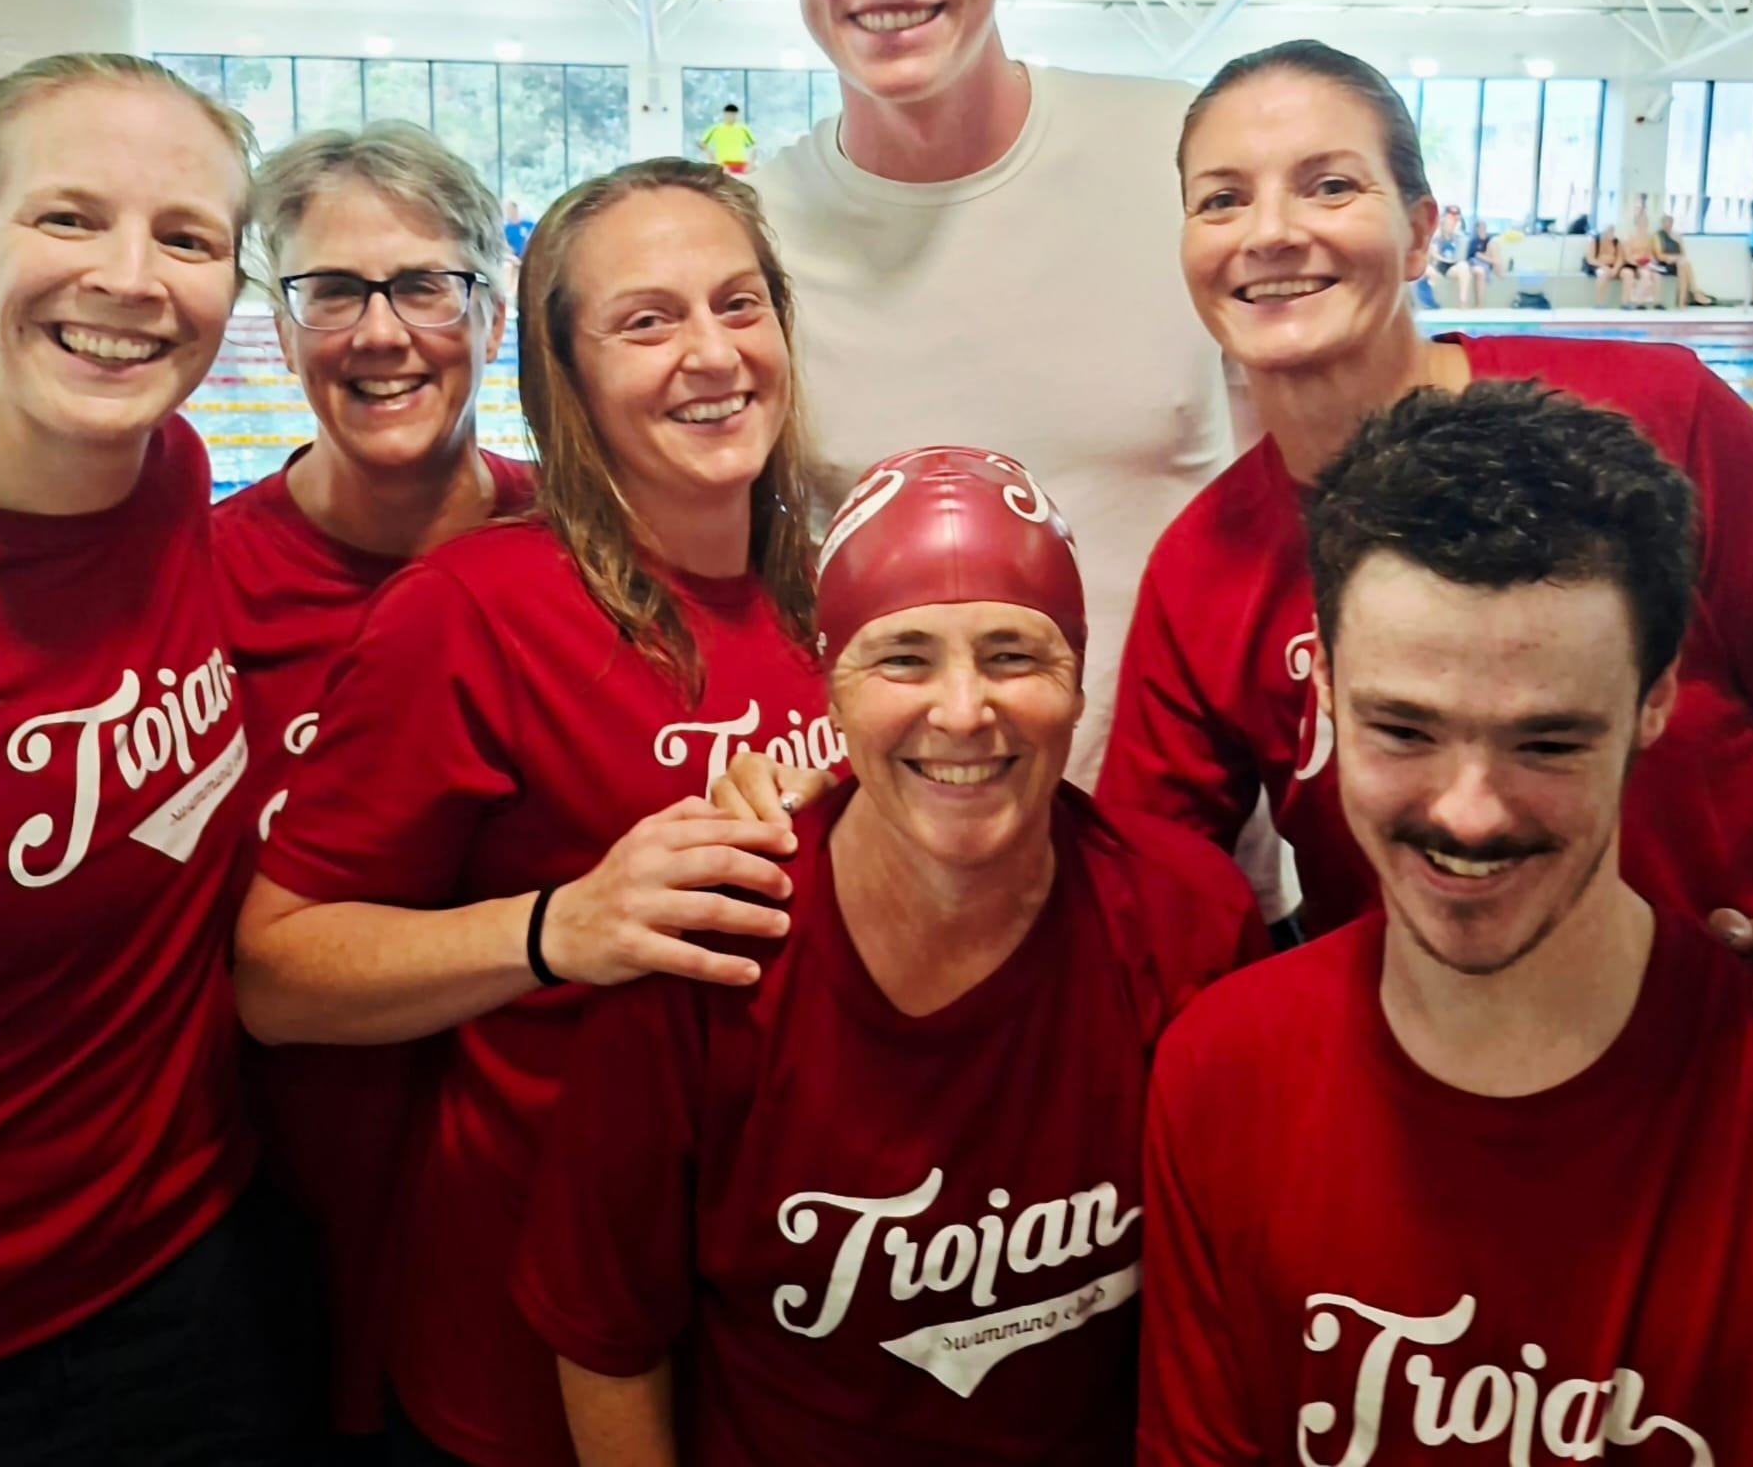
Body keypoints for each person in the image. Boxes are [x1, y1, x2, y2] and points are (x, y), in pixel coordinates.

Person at [1140, 386, 1753, 1465]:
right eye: (1404, 728)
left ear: (1655, 700)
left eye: (1548, 743)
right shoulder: (1219, 1076)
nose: (1468, 809)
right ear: (1328, 689)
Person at [234, 157, 835, 1467]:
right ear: (564, 375)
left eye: (739, 305)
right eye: (647, 321)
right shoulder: (470, 612)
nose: (710, 354)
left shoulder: (848, 574)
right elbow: (275, 973)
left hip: (788, 1304)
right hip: (524, 1333)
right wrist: (565, 926)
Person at [1100, 37, 1753, 1030]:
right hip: (1434, 1098)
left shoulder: (1656, 420)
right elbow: (1146, 897)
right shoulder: (1203, 571)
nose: (1272, 232)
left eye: (1328, 185)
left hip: (1734, 1047)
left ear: (1421, 233)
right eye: (1221, 199)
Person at [519, 446, 1264, 1467]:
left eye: (1013, 653)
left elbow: (1226, 1315)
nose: (962, 710)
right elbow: (606, 1333)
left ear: (1078, 681)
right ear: (830, 686)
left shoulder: (1188, 921)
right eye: (903, 657)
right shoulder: (711, 944)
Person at [0, 53, 301, 1463]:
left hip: (196, 1272)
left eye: (186, 237)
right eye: (68, 219)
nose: (130, 278)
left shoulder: (166, 484)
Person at [746, 0, 1288, 914]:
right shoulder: (751, 241)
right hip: (904, 901)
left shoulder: (1178, 154)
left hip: (1192, 882)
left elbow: (1321, 476)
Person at [212, 124, 534, 1448]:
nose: (379, 331)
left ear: (492, 314)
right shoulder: (195, 583)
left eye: (422, 285)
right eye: (330, 291)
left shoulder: (584, 556)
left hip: (522, 1211)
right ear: (279, 325)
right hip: (268, 1213)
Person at [1652, 206, 1714, 306]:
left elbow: (1683, 254)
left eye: (1670, 222)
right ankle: (1695, 293)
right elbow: (1659, 256)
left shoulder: (1677, 236)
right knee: (1684, 264)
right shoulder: (1657, 236)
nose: (1668, 225)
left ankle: (1683, 302)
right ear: (1662, 224)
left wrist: (1676, 258)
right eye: (1666, 222)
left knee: (1684, 265)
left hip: (1677, 263)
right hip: (1664, 265)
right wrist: (1673, 258)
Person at [698, 102, 758, 176]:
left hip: (741, 164)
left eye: (733, 114)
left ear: (737, 115)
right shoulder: (716, 129)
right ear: (724, 114)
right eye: (729, 114)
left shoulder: (743, 129)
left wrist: (751, 162)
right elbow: (702, 143)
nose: (731, 117)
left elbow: (755, 145)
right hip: (723, 165)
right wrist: (712, 157)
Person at [1426, 204, 1468, 305]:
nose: (1451, 225)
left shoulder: (1458, 237)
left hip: (1452, 266)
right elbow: (1434, 255)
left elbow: (1460, 257)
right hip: (1439, 264)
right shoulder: (1436, 237)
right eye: (1448, 222)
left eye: (1453, 222)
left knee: (1464, 266)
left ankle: (1463, 300)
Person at [501, 195, 534, 303]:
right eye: (507, 211)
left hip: (529, 257)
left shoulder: (529, 225)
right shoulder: (506, 229)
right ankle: (510, 297)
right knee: (508, 267)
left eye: (511, 210)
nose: (509, 213)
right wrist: (512, 257)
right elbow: (504, 247)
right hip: (514, 259)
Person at [1583, 223, 1625, 304]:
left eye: (1613, 231)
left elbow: (1620, 258)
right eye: (1610, 231)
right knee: (1602, 274)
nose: (1612, 233)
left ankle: (1625, 303)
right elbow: (1590, 259)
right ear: (1604, 232)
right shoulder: (1595, 241)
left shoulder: (1616, 242)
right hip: (1597, 265)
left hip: (1613, 266)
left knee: (1628, 274)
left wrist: (1615, 269)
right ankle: (1600, 303)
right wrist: (1604, 266)